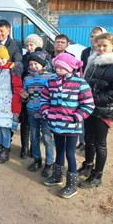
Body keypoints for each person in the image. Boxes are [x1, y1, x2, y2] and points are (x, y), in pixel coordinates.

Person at [78, 33, 113, 189]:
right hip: (90, 108)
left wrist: (96, 98)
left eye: (104, 46)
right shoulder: (94, 61)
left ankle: (97, 175)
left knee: (100, 143)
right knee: (88, 138)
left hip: (104, 111)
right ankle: (88, 165)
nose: (100, 48)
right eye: (98, 45)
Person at [41, 53, 95, 199]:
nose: (58, 70)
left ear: (70, 68)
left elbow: (88, 104)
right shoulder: (51, 82)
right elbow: (44, 98)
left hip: (72, 127)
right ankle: (57, 176)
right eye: (57, 67)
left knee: (70, 153)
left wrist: (77, 117)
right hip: (56, 124)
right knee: (59, 150)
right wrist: (46, 112)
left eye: (62, 68)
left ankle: (72, 185)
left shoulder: (80, 83)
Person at [0, 20, 23, 147]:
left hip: (7, 86)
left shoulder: (15, 44)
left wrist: (12, 69)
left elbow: (19, 62)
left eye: (2, 30)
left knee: (5, 118)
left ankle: (6, 144)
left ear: (8, 30)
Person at [20, 50, 55, 177]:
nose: (33, 66)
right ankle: (37, 160)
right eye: (31, 64)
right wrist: (24, 96)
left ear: (42, 64)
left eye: (36, 64)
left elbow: (53, 95)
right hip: (31, 112)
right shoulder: (27, 78)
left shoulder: (50, 77)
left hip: (46, 114)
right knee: (33, 137)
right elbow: (25, 94)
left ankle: (49, 163)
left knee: (47, 138)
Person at [77, 26, 107, 152]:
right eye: (92, 36)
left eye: (97, 36)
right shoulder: (85, 52)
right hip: (85, 88)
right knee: (84, 117)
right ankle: (83, 142)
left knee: (96, 124)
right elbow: (82, 69)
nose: (94, 38)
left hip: (99, 93)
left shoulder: (106, 54)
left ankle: (93, 147)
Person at [20, 34, 47, 159]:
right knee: (25, 123)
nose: (29, 47)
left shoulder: (45, 57)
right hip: (27, 92)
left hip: (40, 99)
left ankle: (36, 151)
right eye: (27, 45)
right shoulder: (23, 58)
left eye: (31, 45)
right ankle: (25, 147)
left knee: (40, 130)